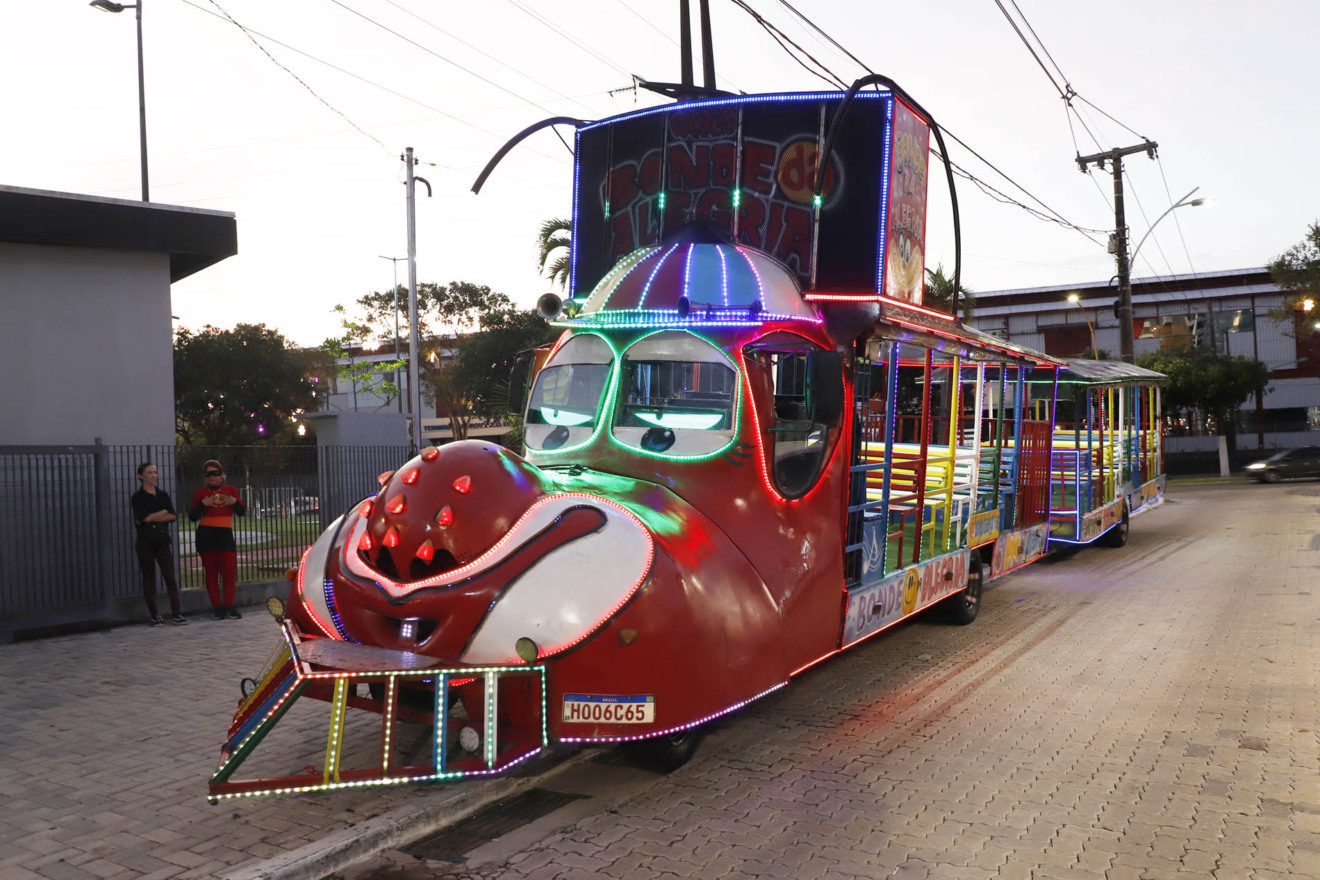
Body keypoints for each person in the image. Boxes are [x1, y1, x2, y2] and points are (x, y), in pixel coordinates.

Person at [130, 462, 187, 626]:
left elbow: (172, 516)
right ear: (141, 476)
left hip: (162, 540)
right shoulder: (138, 497)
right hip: (145, 541)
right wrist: (161, 513)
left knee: (170, 576)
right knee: (149, 578)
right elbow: (143, 519)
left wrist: (155, 516)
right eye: (149, 472)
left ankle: (176, 613)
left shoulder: (162, 495)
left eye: (155, 472)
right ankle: (154, 615)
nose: (153, 475)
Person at [189, 459, 246, 620]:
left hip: (225, 533)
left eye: (216, 473)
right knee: (211, 572)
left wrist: (233, 501)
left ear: (222, 475)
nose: (212, 477)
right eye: (209, 474)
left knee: (229, 570)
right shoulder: (200, 492)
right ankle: (217, 607)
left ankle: (230, 605)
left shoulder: (231, 490)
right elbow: (192, 516)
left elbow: (242, 511)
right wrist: (203, 503)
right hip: (206, 533)